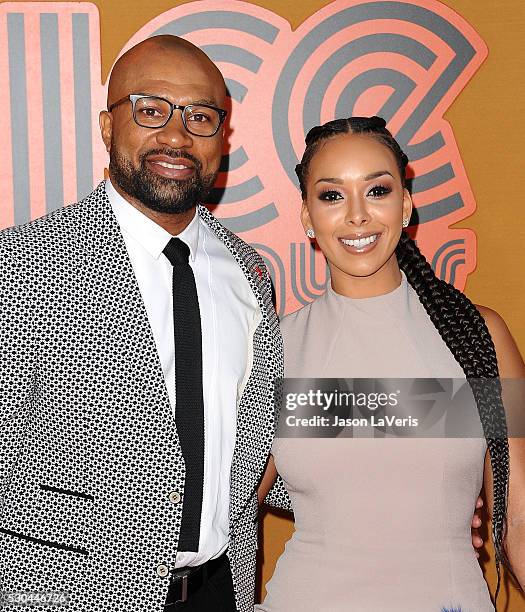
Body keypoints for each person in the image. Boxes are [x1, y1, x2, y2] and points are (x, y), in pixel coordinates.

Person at [0, 35, 284, 612]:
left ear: (222, 139)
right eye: (151, 110)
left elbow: (261, 447)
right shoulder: (21, 265)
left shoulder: (251, 273)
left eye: (200, 117)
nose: (177, 136)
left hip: (222, 593)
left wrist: (419, 496)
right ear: (108, 127)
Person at [257, 117, 525, 611]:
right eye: (332, 196)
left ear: (405, 205)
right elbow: (231, 502)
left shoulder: (477, 338)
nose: (357, 216)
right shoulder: (275, 347)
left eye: (376, 190)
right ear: (306, 217)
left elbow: (521, 521)